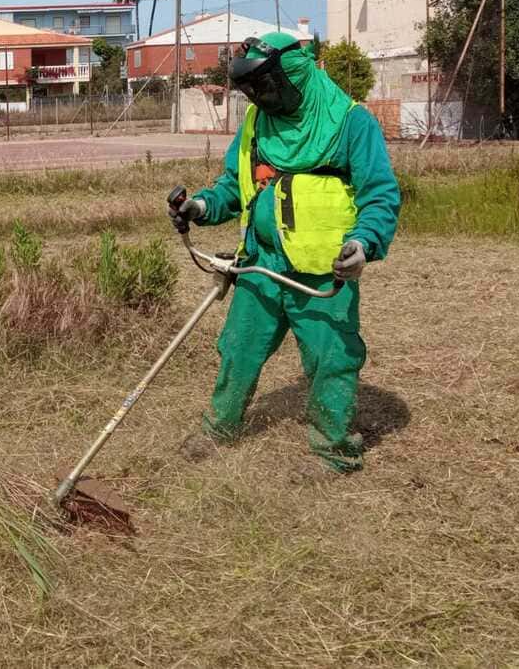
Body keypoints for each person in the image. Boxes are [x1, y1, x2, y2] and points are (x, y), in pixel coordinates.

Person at [169, 31, 400, 477]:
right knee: (238, 347)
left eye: (266, 86)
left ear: (294, 75)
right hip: (262, 263)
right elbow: (234, 185)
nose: (260, 97)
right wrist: (200, 206)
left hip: (323, 272)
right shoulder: (257, 122)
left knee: (331, 359)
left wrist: (363, 244)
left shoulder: (351, 123)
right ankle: (220, 428)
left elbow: (380, 195)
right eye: (251, 89)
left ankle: (333, 451)